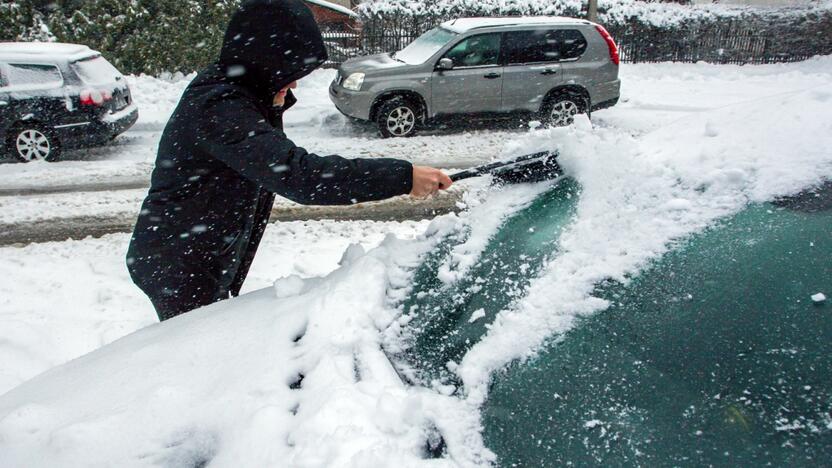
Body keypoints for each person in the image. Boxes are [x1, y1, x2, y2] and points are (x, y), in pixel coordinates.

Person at [126, 0, 452, 321]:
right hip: (178, 262)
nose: (294, 83)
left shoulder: (244, 90)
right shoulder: (222, 109)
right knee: (194, 348)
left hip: (199, 249)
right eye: (289, 71)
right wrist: (402, 177)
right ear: (264, 62)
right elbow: (302, 176)